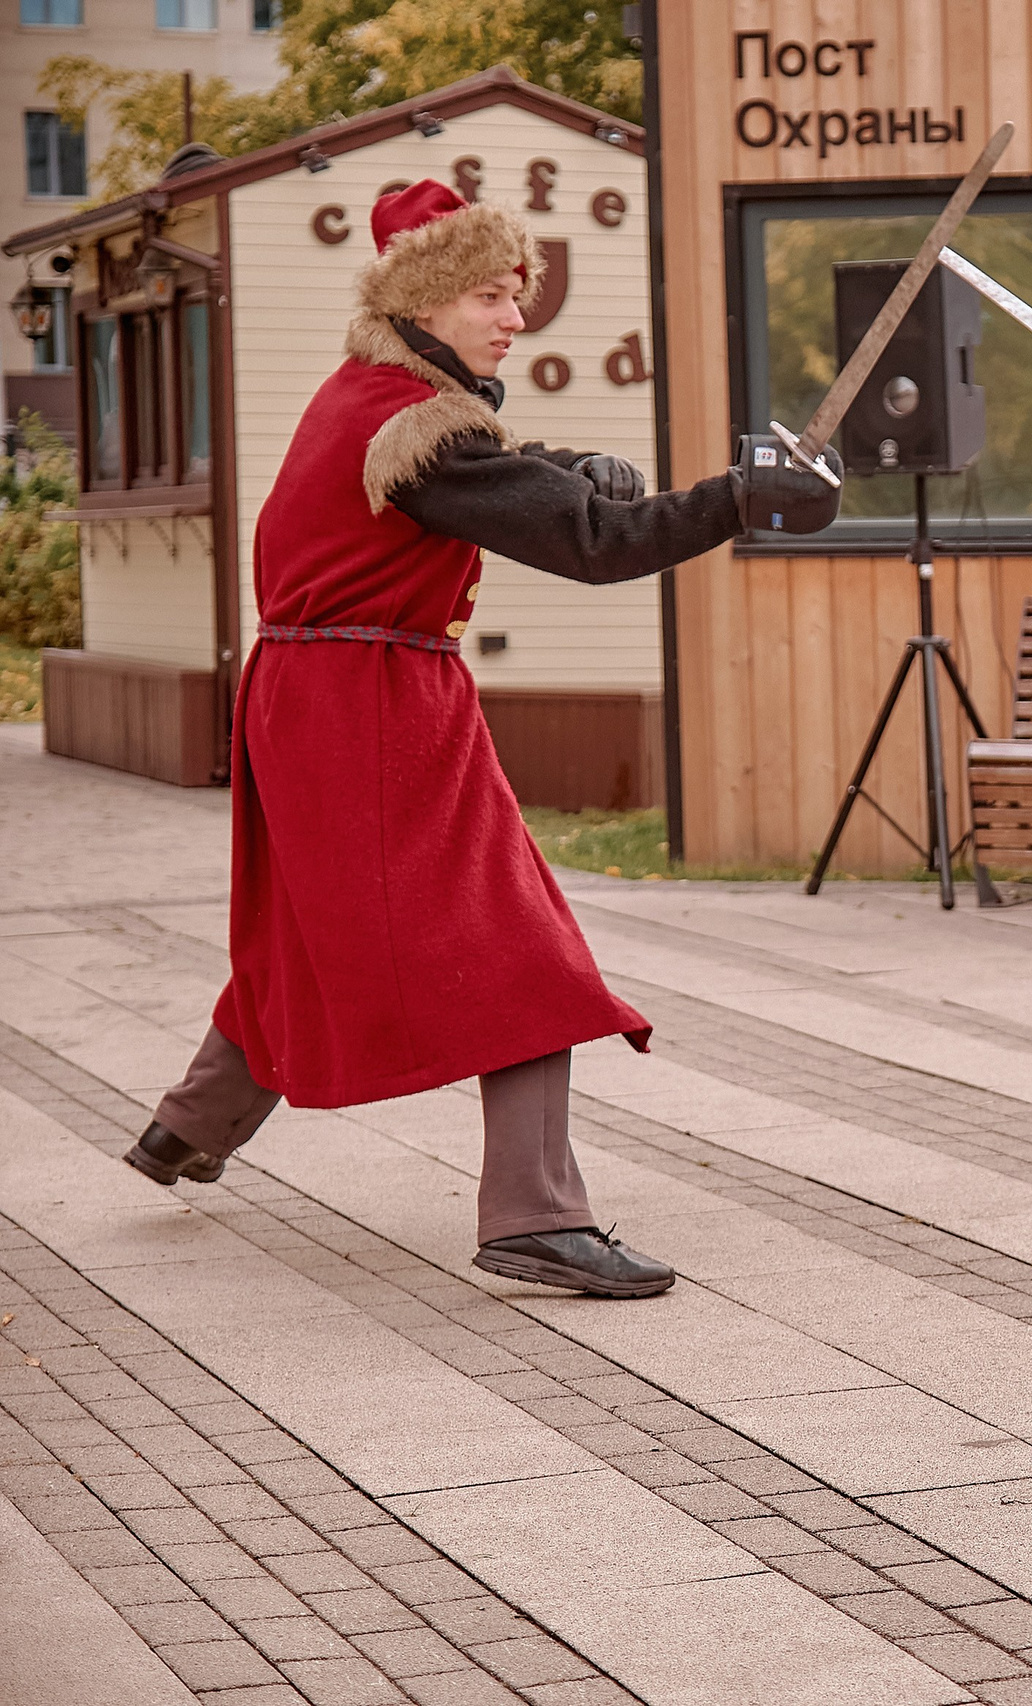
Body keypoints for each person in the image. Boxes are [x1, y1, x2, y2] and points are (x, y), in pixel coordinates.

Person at [123, 181, 840, 1298]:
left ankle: (186, 1125)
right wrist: (740, 498)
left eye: (519, 295)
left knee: (313, 931)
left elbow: (485, 478)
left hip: (323, 694)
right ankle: (534, 1216)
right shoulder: (416, 430)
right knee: (519, 951)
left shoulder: (370, 398)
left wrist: (561, 458)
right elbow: (596, 544)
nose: (514, 317)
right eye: (491, 295)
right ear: (423, 300)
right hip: (370, 703)